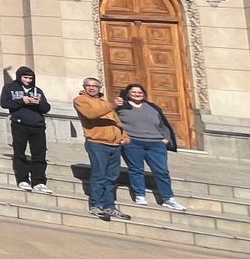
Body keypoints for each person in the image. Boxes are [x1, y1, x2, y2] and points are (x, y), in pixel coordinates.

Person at [117, 84, 188, 212]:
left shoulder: (152, 107)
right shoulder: (121, 107)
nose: (137, 94)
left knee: (162, 171)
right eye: (133, 92)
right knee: (136, 170)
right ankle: (140, 195)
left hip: (156, 144)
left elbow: (163, 124)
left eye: (139, 92)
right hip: (133, 143)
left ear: (144, 94)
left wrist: (165, 139)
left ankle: (168, 198)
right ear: (127, 94)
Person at [73, 77, 132, 222]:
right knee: (99, 175)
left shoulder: (105, 103)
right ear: (84, 87)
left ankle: (109, 206)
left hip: (114, 144)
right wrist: (112, 105)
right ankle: (96, 205)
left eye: (95, 86)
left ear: (100, 88)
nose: (92, 88)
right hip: (97, 142)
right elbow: (90, 114)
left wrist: (124, 135)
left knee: (112, 177)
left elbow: (116, 122)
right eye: (88, 86)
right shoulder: (81, 100)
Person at [0, 66, 52, 193]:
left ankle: (38, 181)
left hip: (38, 125)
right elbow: (4, 103)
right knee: (19, 152)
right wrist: (22, 100)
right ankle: (22, 179)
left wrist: (38, 102)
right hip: (19, 124)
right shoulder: (9, 88)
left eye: (30, 78)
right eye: (25, 77)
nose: (28, 80)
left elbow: (46, 108)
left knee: (39, 154)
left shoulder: (37, 90)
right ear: (19, 77)